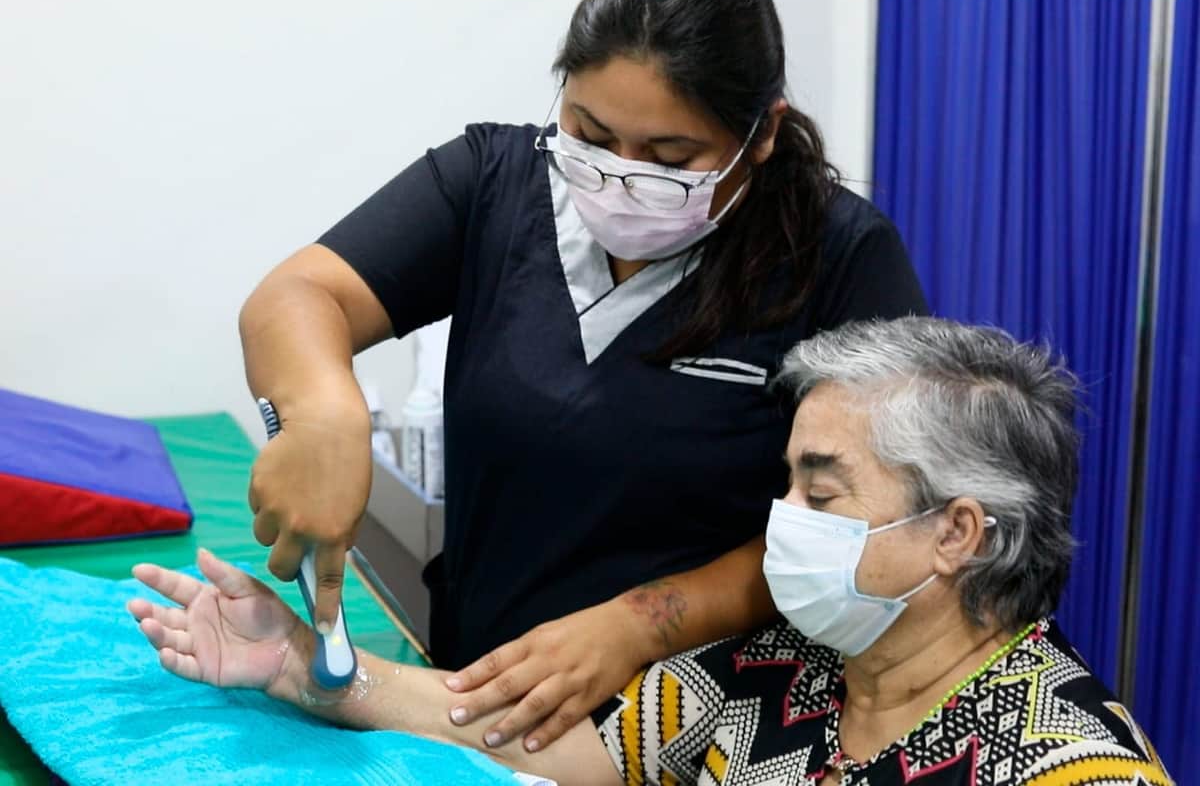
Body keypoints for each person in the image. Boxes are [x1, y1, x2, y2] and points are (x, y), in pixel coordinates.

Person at [238, 0, 926, 753]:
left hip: (702, 719)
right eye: (590, 136)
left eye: (670, 160)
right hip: (475, 689)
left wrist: (639, 624)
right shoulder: (493, 184)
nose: (619, 178)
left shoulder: (837, 259)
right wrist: (325, 414)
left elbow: (867, 527)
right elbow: (298, 296)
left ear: (760, 135)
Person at [129, 317, 1172, 785]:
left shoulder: (1070, 766)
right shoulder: (777, 669)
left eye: (820, 488)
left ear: (957, 531)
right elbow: (562, 748)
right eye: (786, 483)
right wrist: (321, 671)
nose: (783, 521)